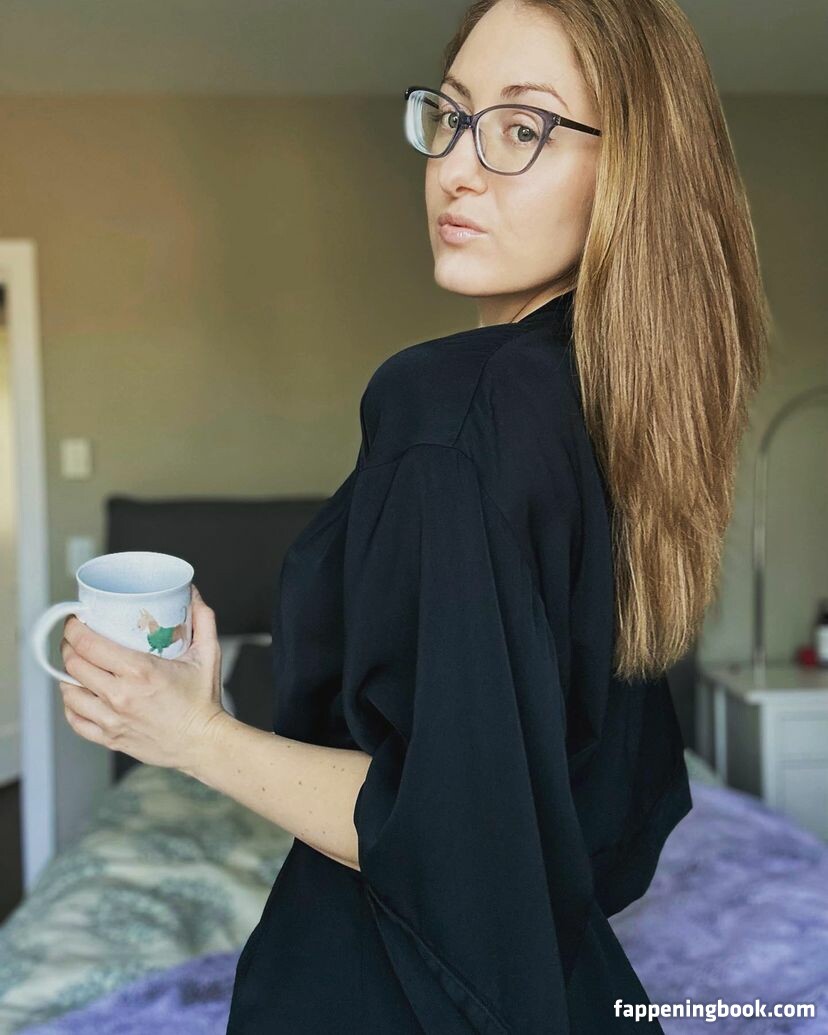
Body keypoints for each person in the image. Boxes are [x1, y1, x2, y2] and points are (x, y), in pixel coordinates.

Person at [57, 0, 770, 1030]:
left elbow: (452, 831)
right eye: (452, 115)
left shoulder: (453, 409)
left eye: (523, 127)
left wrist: (190, 732)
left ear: (633, 170)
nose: (458, 168)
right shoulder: (613, 420)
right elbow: (612, 817)